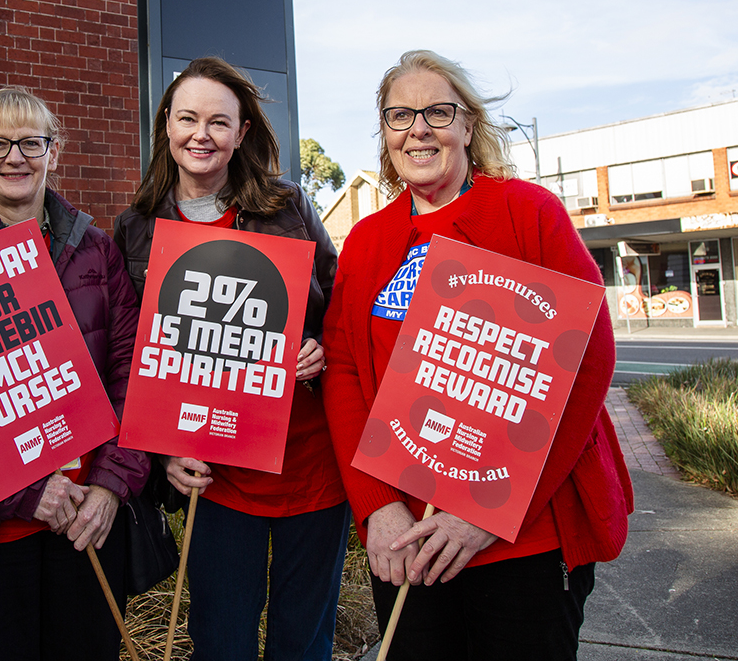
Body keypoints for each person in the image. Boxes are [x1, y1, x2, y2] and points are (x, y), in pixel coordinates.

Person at [321, 50, 633, 660]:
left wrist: (491, 513)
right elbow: (344, 372)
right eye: (399, 116)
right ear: (385, 136)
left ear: (468, 126)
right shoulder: (366, 242)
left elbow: (587, 364)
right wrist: (377, 507)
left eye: (438, 111)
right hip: (407, 536)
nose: (418, 129)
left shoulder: (528, 215)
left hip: (524, 537)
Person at [113, 56, 351, 661]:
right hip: (214, 474)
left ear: (242, 133)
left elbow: (338, 307)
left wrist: (322, 346)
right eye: (187, 118)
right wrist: (164, 451)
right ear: (165, 124)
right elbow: (131, 355)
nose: (202, 134)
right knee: (221, 640)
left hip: (309, 463)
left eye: (219, 122)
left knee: (303, 644)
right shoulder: (135, 229)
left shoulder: (287, 206)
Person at [0, 87, 148, 661]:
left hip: (87, 519)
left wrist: (110, 486)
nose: (14, 157)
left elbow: (132, 373)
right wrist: (23, 493)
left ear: (54, 150)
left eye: (30, 142)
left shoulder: (97, 251)